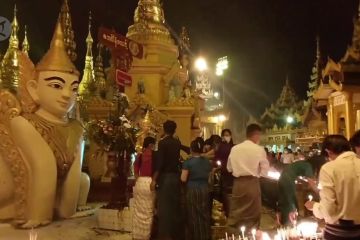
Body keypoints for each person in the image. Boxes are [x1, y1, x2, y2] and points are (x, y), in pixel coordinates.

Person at [305, 135, 360, 240]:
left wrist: (315, 207)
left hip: (339, 233)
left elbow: (329, 210)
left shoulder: (329, 168)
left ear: (328, 151)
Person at [226, 124, 269, 233]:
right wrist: (257, 173)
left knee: (237, 213)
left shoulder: (234, 149)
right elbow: (265, 171)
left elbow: (229, 168)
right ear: (256, 135)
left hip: (238, 185)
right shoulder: (259, 149)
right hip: (252, 184)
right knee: (253, 214)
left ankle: (236, 235)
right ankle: (252, 235)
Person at [151, 120, 183, 240]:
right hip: (176, 178)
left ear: (164, 129)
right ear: (175, 130)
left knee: (164, 209)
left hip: (165, 178)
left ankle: (165, 236)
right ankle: (175, 235)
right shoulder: (177, 142)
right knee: (174, 207)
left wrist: (154, 179)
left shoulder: (162, 143)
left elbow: (160, 163)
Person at [181, 138, 212, 240]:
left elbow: (183, 179)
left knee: (193, 215)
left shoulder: (188, 162)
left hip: (193, 190)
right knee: (204, 214)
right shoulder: (207, 162)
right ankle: (205, 236)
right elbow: (209, 176)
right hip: (205, 190)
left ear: (191, 149)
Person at [132, 137, 156, 240]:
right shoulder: (155, 155)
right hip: (150, 183)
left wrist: (138, 179)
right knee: (148, 211)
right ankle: (146, 236)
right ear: (151, 145)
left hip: (140, 182)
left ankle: (137, 235)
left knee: (138, 210)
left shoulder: (140, 155)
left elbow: (135, 169)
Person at [278, 158, 314, 225]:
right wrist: (317, 191)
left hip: (282, 178)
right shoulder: (308, 165)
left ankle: (284, 221)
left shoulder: (300, 164)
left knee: (285, 200)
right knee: (291, 201)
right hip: (288, 180)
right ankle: (290, 222)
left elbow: (297, 176)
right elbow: (311, 182)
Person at [215, 129, 234, 216]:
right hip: (224, 171)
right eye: (225, 135)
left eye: (228, 135)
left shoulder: (232, 146)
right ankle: (228, 211)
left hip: (231, 172)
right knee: (226, 192)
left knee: (227, 192)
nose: (227, 136)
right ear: (222, 136)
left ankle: (228, 211)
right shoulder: (221, 146)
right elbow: (217, 157)